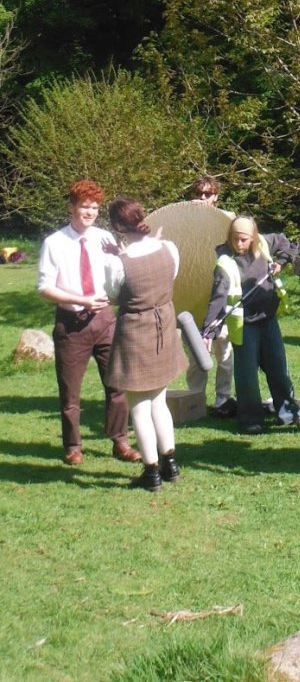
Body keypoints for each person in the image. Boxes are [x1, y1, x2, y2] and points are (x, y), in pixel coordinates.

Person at [37, 180, 139, 466]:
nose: (90, 212)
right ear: (72, 207)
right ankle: (73, 446)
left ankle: (120, 442)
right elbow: (44, 288)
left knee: (117, 385)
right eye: (85, 206)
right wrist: (80, 301)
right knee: (70, 393)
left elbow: (119, 274)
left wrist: (125, 260)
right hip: (71, 325)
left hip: (105, 320)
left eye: (94, 207)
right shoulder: (54, 243)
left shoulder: (104, 237)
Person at [103, 198, 189, 491]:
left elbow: (113, 295)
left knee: (139, 406)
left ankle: (151, 471)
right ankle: (171, 463)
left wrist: (122, 257)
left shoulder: (117, 262)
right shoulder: (169, 248)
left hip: (135, 330)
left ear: (117, 226)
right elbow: (169, 277)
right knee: (159, 401)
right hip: (163, 323)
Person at [202, 216, 300, 434]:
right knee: (247, 374)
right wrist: (208, 331)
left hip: (268, 319)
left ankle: (289, 411)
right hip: (244, 325)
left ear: (252, 238)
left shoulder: (265, 243)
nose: (239, 244)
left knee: (278, 368)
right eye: (235, 239)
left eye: (243, 240)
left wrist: (281, 261)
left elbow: (286, 243)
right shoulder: (225, 262)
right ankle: (250, 419)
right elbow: (218, 298)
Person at [185, 175, 237, 418]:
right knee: (196, 355)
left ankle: (222, 400)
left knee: (224, 352)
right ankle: (194, 400)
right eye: (198, 194)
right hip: (193, 295)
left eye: (208, 194)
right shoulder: (181, 220)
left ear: (216, 196)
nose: (203, 199)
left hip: (222, 295)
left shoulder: (228, 220)